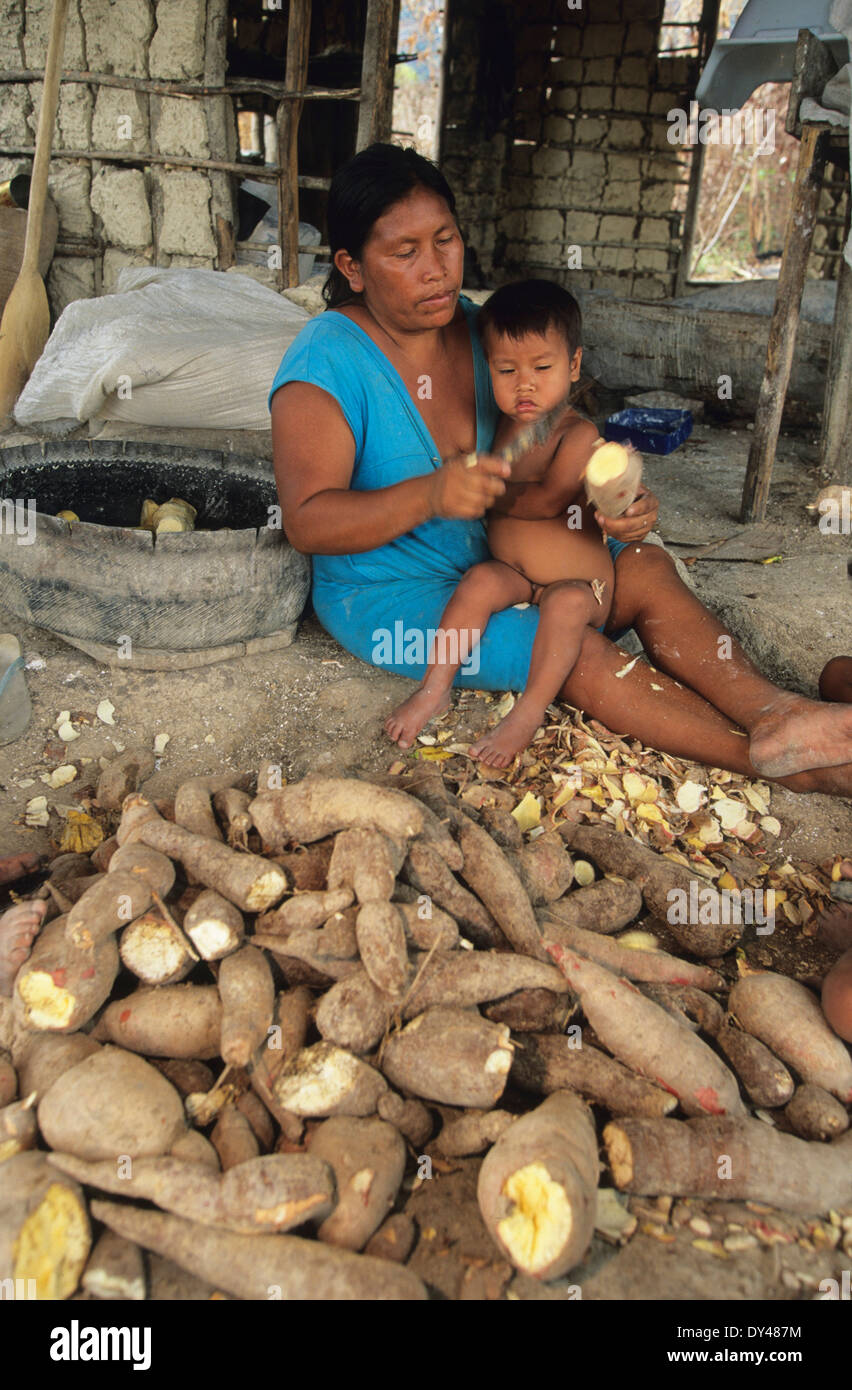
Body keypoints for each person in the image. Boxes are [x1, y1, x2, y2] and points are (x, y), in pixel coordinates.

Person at [268, 142, 852, 796]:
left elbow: (554, 440)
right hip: (396, 593)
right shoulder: (327, 360)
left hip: (518, 560)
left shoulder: (483, 331)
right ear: (351, 266)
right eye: (404, 254)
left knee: (647, 568)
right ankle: (778, 761)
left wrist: (614, 501)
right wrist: (430, 494)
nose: (435, 269)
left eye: (446, 241)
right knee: (570, 644)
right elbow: (308, 522)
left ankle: (776, 710)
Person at [385, 279, 617, 767]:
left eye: (542, 367)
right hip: (514, 575)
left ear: (574, 365)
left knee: (568, 603)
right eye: (506, 369)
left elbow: (546, 502)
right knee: (477, 582)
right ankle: (435, 687)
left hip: (579, 585)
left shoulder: (578, 434)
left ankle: (529, 712)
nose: (524, 384)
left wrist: (473, 491)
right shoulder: (497, 425)